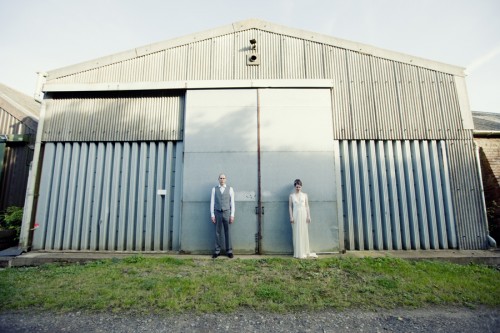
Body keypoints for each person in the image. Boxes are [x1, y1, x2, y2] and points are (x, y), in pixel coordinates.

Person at [289, 179, 317, 259]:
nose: (298, 188)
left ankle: (304, 251)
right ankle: (298, 252)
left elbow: (307, 206)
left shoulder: (305, 195)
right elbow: (290, 207)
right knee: (296, 233)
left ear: (301, 187)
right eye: (297, 187)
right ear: (295, 186)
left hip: (303, 215)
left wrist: (309, 216)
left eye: (299, 187)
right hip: (295, 215)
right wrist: (291, 217)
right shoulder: (291, 196)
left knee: (303, 232)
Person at [210, 173, 235, 258]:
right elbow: (212, 202)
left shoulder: (230, 189)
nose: (222, 180)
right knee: (217, 232)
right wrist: (212, 214)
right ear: (218, 179)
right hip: (217, 212)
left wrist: (232, 215)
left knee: (227, 232)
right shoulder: (214, 189)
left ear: (226, 179)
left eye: (223, 178)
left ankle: (229, 251)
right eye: (220, 178)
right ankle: (217, 251)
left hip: (227, 212)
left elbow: (232, 203)